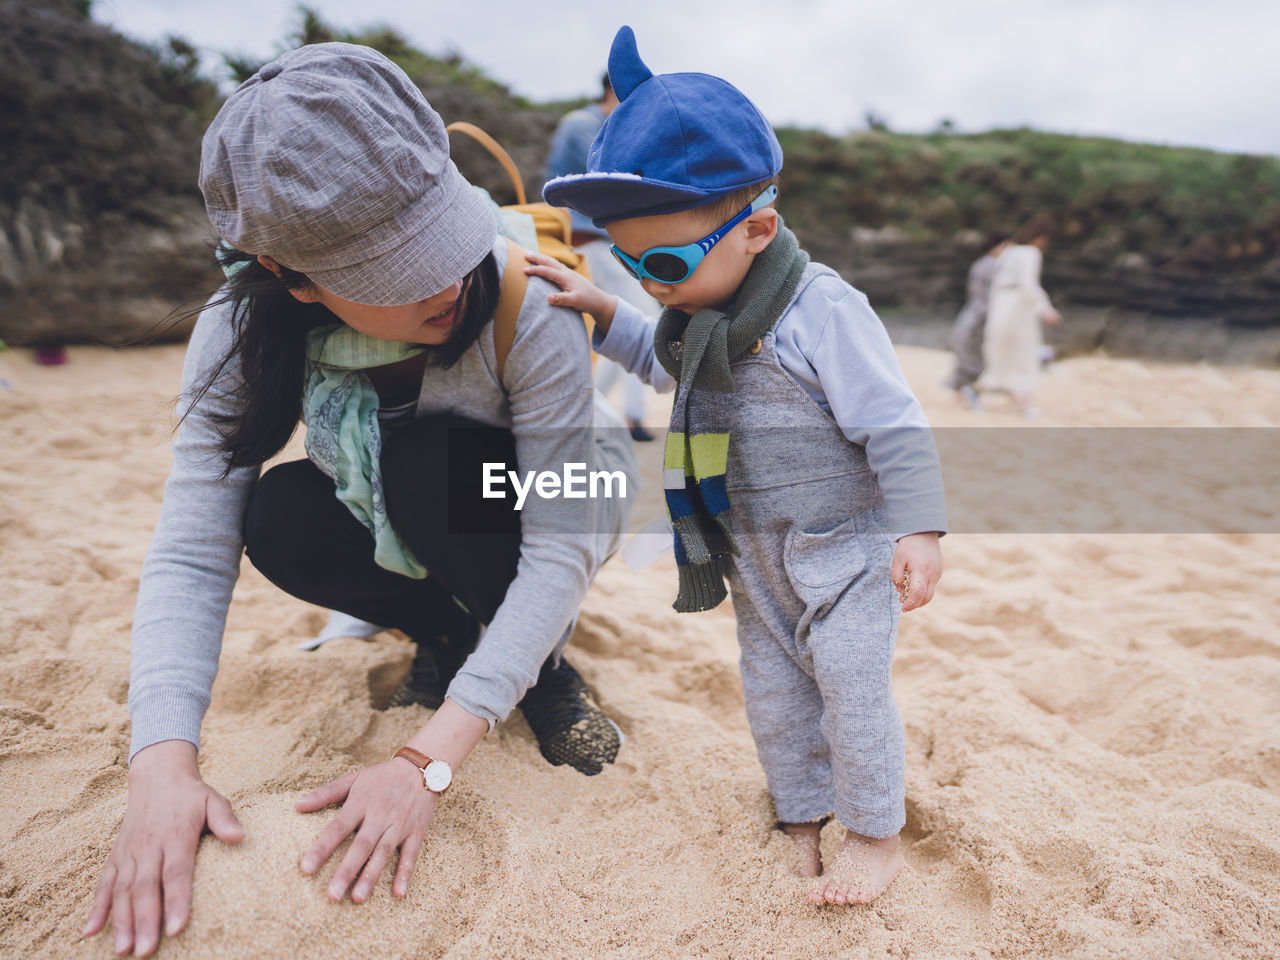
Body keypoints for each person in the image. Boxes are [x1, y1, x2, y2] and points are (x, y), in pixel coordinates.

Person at [84, 43, 637, 957]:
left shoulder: (523, 297)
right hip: (391, 493)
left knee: (429, 465)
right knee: (279, 516)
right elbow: (192, 544)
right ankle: (447, 632)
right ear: (291, 279)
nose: (447, 279)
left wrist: (428, 761)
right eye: (396, 269)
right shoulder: (239, 328)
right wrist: (161, 770)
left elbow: (561, 541)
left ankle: (542, 669)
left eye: (441, 237)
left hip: (563, 495)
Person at [531, 26, 947, 906]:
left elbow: (895, 425)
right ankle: (800, 815)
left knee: (852, 692)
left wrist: (921, 526)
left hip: (847, 551)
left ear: (756, 227)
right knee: (773, 693)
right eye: (633, 261)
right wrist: (604, 309)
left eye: (669, 261)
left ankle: (873, 834)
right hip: (755, 552)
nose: (654, 283)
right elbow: (662, 360)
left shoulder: (820, 310)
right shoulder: (693, 315)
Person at [543, 72, 657, 442]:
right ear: (613, 90)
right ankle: (625, 416)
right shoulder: (582, 125)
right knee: (643, 316)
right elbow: (617, 171)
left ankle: (602, 413)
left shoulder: (597, 125)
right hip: (589, 239)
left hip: (606, 241)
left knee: (631, 323)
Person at [979, 214, 1062, 417]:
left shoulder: (1010, 251)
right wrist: (1045, 308)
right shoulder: (1031, 253)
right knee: (1025, 352)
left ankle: (1001, 393)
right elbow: (1028, 284)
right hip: (1019, 307)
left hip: (1001, 304)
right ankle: (1022, 401)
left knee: (1001, 352)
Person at [945, 231, 1009, 408]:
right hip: (982, 316)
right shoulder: (995, 265)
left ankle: (962, 392)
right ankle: (970, 392)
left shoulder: (980, 264)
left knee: (967, 352)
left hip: (971, 313)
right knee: (977, 355)